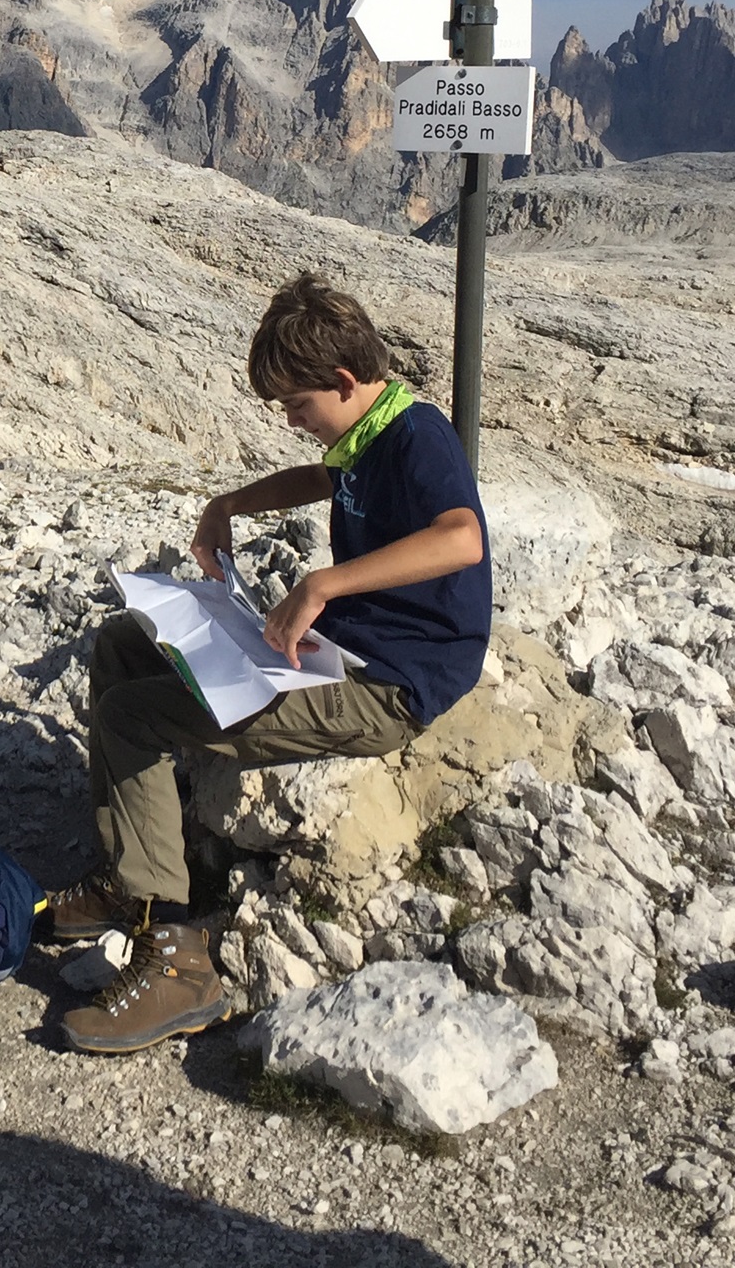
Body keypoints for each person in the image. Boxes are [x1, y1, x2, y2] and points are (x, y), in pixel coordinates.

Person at [45, 274, 492, 1055]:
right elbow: (326, 477)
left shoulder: (419, 435)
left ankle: (176, 953)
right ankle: (131, 874)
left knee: (131, 714)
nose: (293, 422)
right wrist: (230, 504)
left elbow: (462, 538)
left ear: (345, 382)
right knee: (125, 640)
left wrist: (322, 584)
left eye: (297, 407)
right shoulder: (367, 431)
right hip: (335, 655)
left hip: (385, 686)